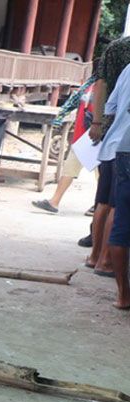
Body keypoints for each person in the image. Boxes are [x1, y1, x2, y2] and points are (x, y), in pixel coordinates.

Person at [87, 37, 130, 275]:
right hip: (125, 145)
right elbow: (102, 84)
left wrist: (98, 122)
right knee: (118, 206)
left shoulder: (124, 64)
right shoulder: (121, 51)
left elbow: (109, 102)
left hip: (112, 137)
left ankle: (94, 256)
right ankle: (106, 260)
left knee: (103, 201)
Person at [32, 74, 97, 214]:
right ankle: (54, 202)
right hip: (82, 137)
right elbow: (74, 102)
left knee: (102, 174)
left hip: (100, 137)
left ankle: (99, 205)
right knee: (69, 169)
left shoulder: (112, 84)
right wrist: (60, 116)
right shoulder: (89, 85)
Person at [95, 59, 130, 308]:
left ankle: (123, 294)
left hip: (123, 148)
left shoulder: (128, 68)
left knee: (118, 216)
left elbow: (110, 106)